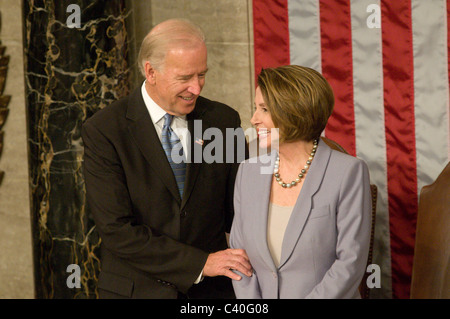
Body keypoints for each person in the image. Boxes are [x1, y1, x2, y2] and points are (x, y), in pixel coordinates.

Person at [82, 19, 252, 299]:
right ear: (151, 71)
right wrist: (200, 264)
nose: (196, 88)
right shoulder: (105, 130)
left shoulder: (224, 121)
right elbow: (117, 231)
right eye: (185, 78)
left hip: (213, 294)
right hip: (137, 291)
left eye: (202, 75)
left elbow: (241, 214)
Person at [230, 65, 372, 298]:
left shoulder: (348, 172)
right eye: (256, 108)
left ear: (293, 112)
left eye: (264, 109)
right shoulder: (248, 172)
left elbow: (350, 262)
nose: (254, 119)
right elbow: (239, 260)